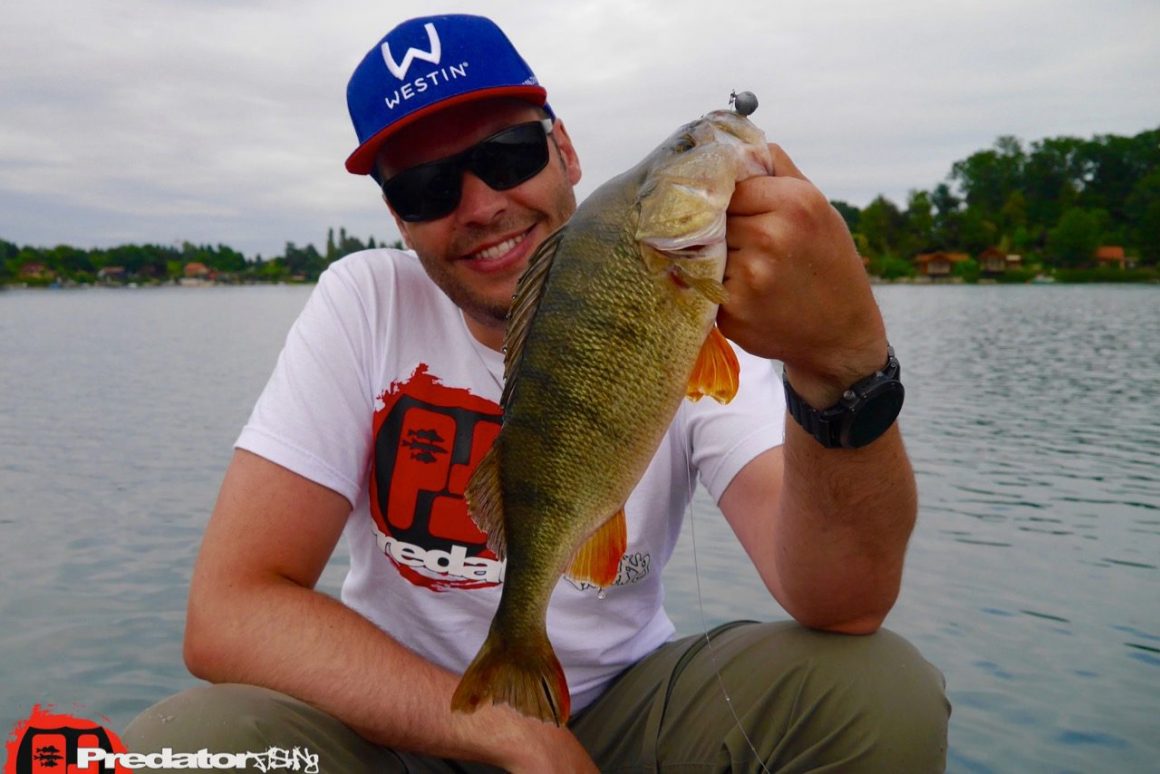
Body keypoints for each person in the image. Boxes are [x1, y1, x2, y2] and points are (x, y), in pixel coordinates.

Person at [126, 13, 948, 773]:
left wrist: (841, 358)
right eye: (426, 187)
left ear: (567, 151)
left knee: (879, 692)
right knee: (184, 747)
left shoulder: (697, 309)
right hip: (393, 724)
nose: (482, 205)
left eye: (510, 154)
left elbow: (842, 603)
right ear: (397, 217)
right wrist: (507, 732)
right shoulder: (363, 302)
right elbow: (227, 611)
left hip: (626, 713)